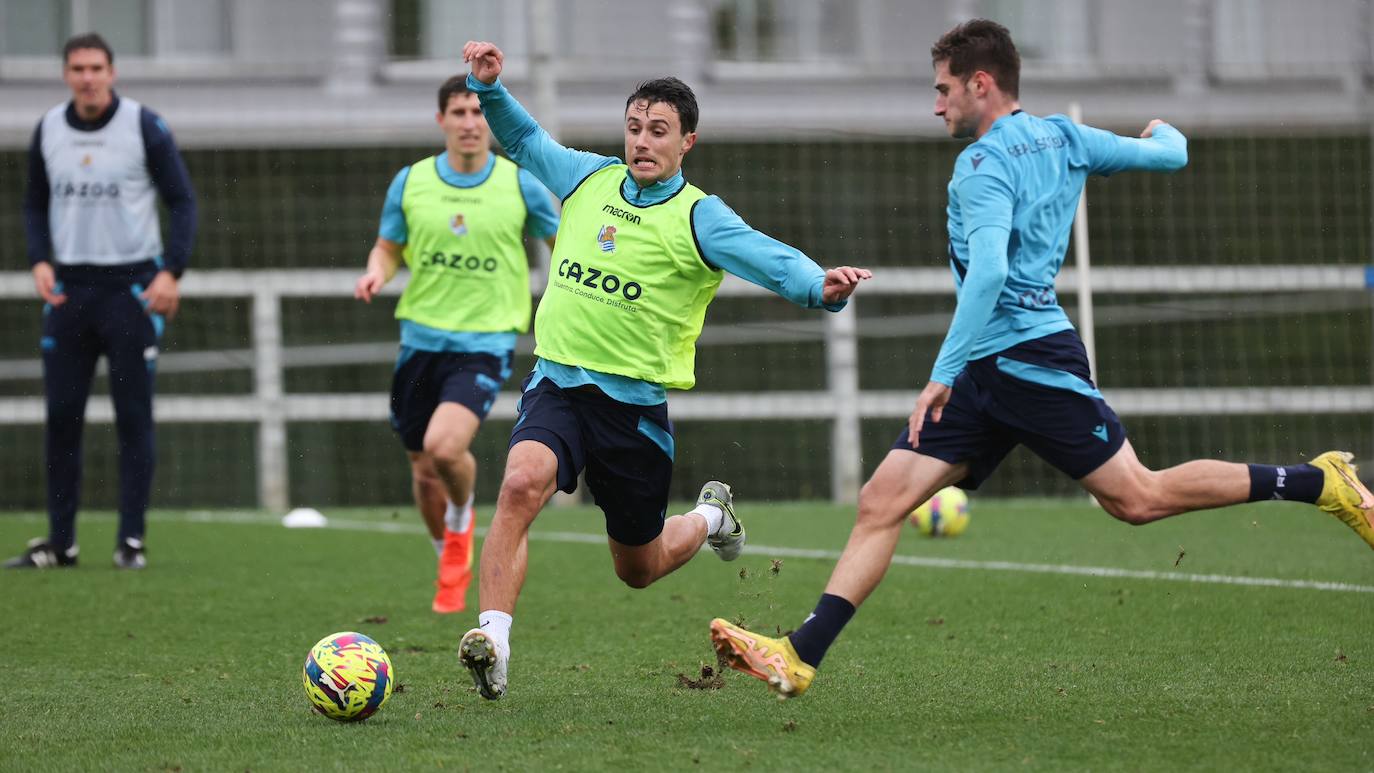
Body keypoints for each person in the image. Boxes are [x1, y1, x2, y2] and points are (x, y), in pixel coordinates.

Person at [710, 18, 1374, 699]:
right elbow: (1170, 155)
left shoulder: (981, 165)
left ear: (981, 84)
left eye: (943, 90)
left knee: (1137, 498)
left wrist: (940, 373)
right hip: (990, 372)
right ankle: (798, 655)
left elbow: (991, 273)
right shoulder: (1066, 137)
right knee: (883, 498)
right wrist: (1161, 129)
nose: (936, 105)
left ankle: (1318, 482)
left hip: (1028, 362)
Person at [456, 40, 871, 700]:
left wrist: (818, 285)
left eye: (657, 132)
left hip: (632, 411)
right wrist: (491, 90)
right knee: (520, 483)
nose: (642, 142)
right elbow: (527, 141)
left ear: (687, 142)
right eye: (634, 128)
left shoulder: (698, 215)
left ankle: (711, 518)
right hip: (560, 382)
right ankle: (494, 638)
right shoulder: (588, 180)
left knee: (639, 567)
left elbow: (766, 255)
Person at [354, 76, 559, 613]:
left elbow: (566, 245)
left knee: (447, 447)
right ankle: (447, 547)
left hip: (485, 341)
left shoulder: (520, 184)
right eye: (459, 112)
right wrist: (377, 272)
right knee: (423, 470)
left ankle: (463, 515)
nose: (471, 123)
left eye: (478, 112)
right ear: (441, 120)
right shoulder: (412, 181)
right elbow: (387, 246)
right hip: (420, 340)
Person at [5, 33, 197, 571]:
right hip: (69, 293)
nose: (87, 77)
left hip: (131, 291)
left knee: (133, 418)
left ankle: (129, 543)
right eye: (77, 69)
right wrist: (39, 259)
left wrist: (171, 272)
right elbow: (34, 203)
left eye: (96, 68)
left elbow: (182, 201)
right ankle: (61, 544)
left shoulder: (143, 125)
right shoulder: (48, 129)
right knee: (61, 418)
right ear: (66, 74)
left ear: (112, 72)